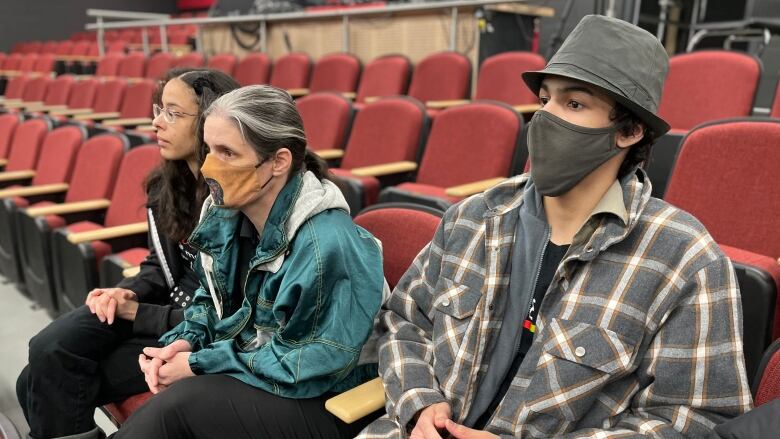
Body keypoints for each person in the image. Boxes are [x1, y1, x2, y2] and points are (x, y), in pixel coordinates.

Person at [359, 15, 752, 439]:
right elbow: (404, 321)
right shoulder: (474, 217)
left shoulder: (683, 259)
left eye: (574, 103)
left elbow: (697, 421)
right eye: (545, 99)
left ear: (630, 131)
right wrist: (420, 403)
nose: (544, 117)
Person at [113, 85, 386, 439]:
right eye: (209, 149)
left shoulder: (325, 245)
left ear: (278, 162)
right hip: (263, 368)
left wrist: (198, 363)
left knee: (177, 408)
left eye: (227, 153)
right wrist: (188, 341)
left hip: (330, 398)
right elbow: (210, 301)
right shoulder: (226, 214)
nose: (209, 167)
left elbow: (307, 365)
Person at [16, 68, 240, 439]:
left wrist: (137, 312)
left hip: (197, 324)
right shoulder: (165, 186)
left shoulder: (235, 197)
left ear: (210, 121)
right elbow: (159, 265)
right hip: (159, 309)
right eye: (158, 109)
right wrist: (127, 291)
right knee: (43, 359)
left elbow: (228, 311)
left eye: (173, 113)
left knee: (42, 375)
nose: (156, 122)